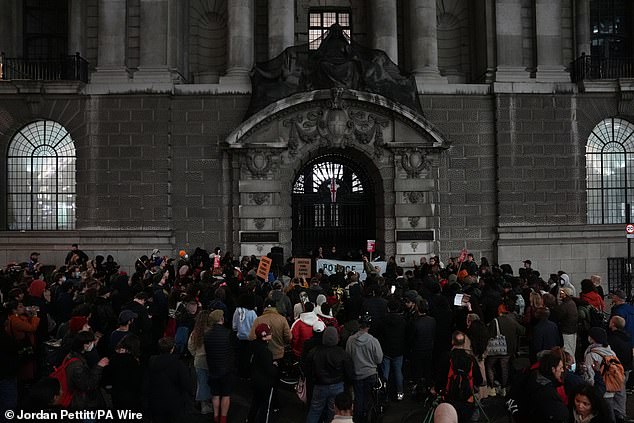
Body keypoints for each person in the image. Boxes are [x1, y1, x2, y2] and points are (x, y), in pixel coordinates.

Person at [305, 326, 354, 423]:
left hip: (319, 386)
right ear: (337, 338)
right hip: (337, 386)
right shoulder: (342, 353)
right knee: (333, 413)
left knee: (314, 411)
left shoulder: (314, 352)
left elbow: (308, 370)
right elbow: (349, 371)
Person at [144, 337, 192, 423]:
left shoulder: (151, 362)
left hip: (155, 401)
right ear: (172, 349)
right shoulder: (178, 364)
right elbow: (186, 384)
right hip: (174, 402)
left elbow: (147, 382)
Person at [346, 314, 383, 423]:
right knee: (370, 398)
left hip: (357, 374)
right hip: (371, 374)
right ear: (369, 326)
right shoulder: (373, 341)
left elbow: (348, 357)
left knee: (358, 398)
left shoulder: (350, 340)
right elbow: (379, 359)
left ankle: (358, 419)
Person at [65, 330, 110, 411]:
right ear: (85, 345)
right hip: (82, 403)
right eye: (92, 342)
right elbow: (88, 385)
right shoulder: (77, 365)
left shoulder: (74, 356)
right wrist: (99, 366)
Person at [444, 331, 483, 422]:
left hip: (450, 397)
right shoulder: (471, 359)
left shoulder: (447, 357)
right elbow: (479, 380)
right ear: (464, 343)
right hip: (467, 398)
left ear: (452, 342)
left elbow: (441, 378)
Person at [204, 309, 234, 423]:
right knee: (226, 395)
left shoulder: (207, 335)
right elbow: (232, 351)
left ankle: (215, 416)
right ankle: (223, 418)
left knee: (215, 394)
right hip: (226, 369)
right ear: (221, 319)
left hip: (213, 368)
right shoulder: (228, 333)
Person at [525, 350, 569, 422]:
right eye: (560, 368)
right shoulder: (547, 391)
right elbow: (562, 414)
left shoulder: (535, 376)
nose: (563, 370)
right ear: (553, 369)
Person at [106, 334, 143, 415]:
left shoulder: (114, 357)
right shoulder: (133, 362)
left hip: (116, 393)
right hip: (129, 396)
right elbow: (136, 381)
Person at [247, 323, 277, 423]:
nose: (271, 333)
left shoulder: (253, 345)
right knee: (265, 406)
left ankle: (249, 419)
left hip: (254, 380)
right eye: (269, 332)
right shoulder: (266, 352)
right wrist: (274, 366)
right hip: (264, 383)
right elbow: (270, 371)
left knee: (255, 402)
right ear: (264, 337)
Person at [188, 310, 214, 415]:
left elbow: (190, 347)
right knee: (211, 383)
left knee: (202, 383)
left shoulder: (195, 332)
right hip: (210, 361)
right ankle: (207, 405)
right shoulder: (212, 332)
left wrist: (196, 355)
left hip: (199, 361)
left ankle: (204, 404)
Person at [607, 315, 632, 423]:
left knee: (612, 394)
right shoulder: (627, 338)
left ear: (613, 324)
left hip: (616, 370)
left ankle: (613, 416)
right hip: (625, 369)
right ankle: (621, 414)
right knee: (621, 394)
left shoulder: (612, 340)